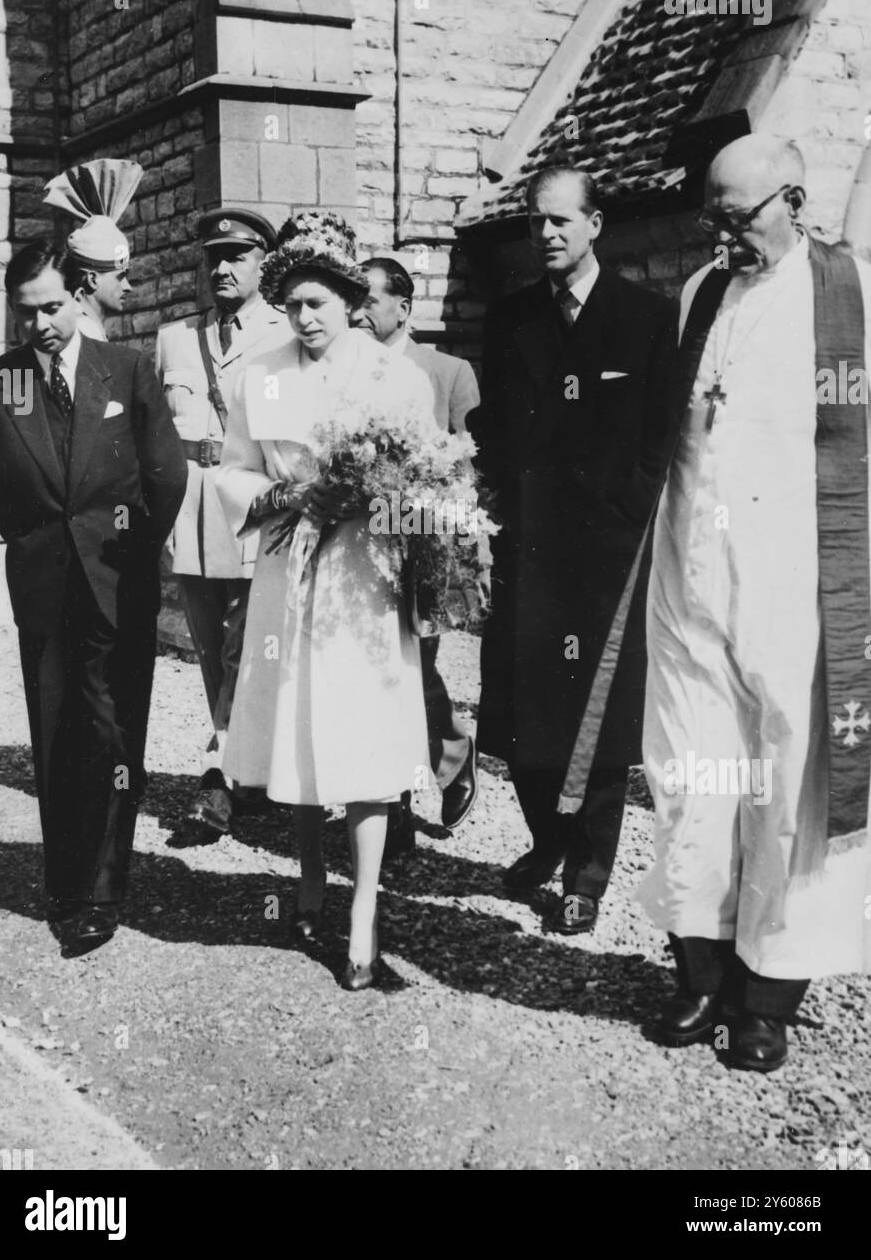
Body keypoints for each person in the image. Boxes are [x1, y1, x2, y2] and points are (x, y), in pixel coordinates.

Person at [638, 133, 871, 1072]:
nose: (723, 235)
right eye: (713, 218)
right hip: (692, 572)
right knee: (694, 780)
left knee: (786, 785)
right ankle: (698, 971)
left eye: (740, 217)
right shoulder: (700, 295)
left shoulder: (847, 294)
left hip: (795, 583)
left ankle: (766, 995)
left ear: (796, 201)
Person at [216, 213, 437, 989]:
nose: (306, 319)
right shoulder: (259, 374)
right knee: (299, 727)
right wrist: (283, 494)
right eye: (295, 305)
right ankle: (309, 877)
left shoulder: (397, 380)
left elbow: (427, 491)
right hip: (288, 569)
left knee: (366, 743)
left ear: (350, 299)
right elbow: (232, 470)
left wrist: (363, 503)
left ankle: (365, 911)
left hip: (363, 584)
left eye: (320, 303)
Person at [469, 165, 677, 934]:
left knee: (599, 715)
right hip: (528, 546)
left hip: (604, 557)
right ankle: (546, 840)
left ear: (596, 224)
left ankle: (587, 872)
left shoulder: (646, 318)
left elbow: (661, 434)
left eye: (561, 221)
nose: (547, 234)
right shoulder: (513, 316)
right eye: (535, 223)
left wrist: (629, 517)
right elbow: (495, 428)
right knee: (524, 719)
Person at [0, 241, 187, 952]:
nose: (41, 324)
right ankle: (66, 880)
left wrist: (132, 548)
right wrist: (40, 538)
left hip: (120, 578)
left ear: (79, 294)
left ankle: (101, 892)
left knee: (115, 731)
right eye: (27, 312)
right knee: (58, 728)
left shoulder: (123, 368)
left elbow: (166, 474)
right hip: (44, 585)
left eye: (54, 306)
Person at [155, 208, 290, 835]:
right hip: (191, 510)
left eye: (237, 256)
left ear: (263, 263)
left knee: (244, 643)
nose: (222, 268)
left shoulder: (284, 335)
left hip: (254, 507)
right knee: (212, 648)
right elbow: (158, 432)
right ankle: (246, 763)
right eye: (214, 256)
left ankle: (219, 774)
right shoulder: (176, 338)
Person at [352, 256, 481, 853]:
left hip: (422, 545)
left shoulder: (448, 372)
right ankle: (393, 806)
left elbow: (468, 468)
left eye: (369, 299)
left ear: (404, 307)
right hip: (356, 545)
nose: (357, 310)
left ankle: (452, 754)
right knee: (373, 674)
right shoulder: (341, 369)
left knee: (414, 669)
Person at [42, 158, 143, 341]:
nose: (127, 287)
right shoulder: (80, 333)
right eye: (120, 277)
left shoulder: (90, 328)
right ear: (92, 279)